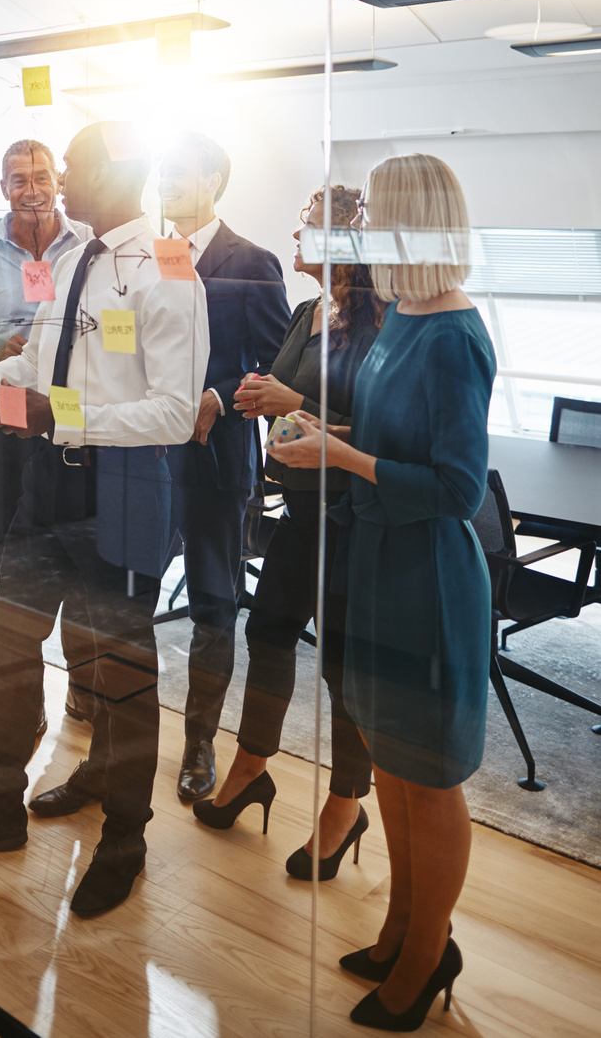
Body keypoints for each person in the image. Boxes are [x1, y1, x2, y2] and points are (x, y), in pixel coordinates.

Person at [0, 121, 209, 918]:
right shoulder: (68, 259)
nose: (59, 178)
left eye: (72, 165)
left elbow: (174, 412)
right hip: (46, 490)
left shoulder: (168, 265)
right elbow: (35, 366)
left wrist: (59, 420)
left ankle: (126, 840)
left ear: (122, 169)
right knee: (11, 648)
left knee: (122, 677)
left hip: (123, 494)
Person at [272, 154, 495, 1031]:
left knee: (430, 777)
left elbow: (456, 488)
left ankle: (427, 949)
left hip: (428, 578)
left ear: (414, 220)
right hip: (375, 561)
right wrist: (327, 430)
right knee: (395, 766)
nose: (356, 236)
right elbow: (389, 432)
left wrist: (344, 456)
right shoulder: (402, 315)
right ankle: (406, 928)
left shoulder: (455, 334)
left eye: (374, 218)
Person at [195, 185, 383, 882]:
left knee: (343, 670)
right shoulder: (306, 313)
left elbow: (381, 433)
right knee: (267, 633)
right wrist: (254, 399)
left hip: (357, 519)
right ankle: (250, 767)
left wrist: (290, 402)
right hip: (302, 512)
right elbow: (280, 404)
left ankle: (344, 805)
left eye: (309, 228)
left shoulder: (385, 322)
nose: (298, 237)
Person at [156, 132, 289, 802]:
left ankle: (199, 739)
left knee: (213, 605)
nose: (164, 180)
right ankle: (105, 724)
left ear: (211, 178)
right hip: (146, 462)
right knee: (123, 593)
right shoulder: (151, 257)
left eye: (177, 168)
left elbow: (276, 365)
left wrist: (220, 395)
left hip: (215, 464)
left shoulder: (253, 261)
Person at [0, 138, 91, 725]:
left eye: (40, 177)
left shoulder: (90, 243)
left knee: (83, 558)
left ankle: (86, 686)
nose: (30, 189)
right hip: (2, 401)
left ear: (57, 181)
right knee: (8, 552)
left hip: (70, 409)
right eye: (17, 179)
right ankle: (23, 702)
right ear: (1, 186)